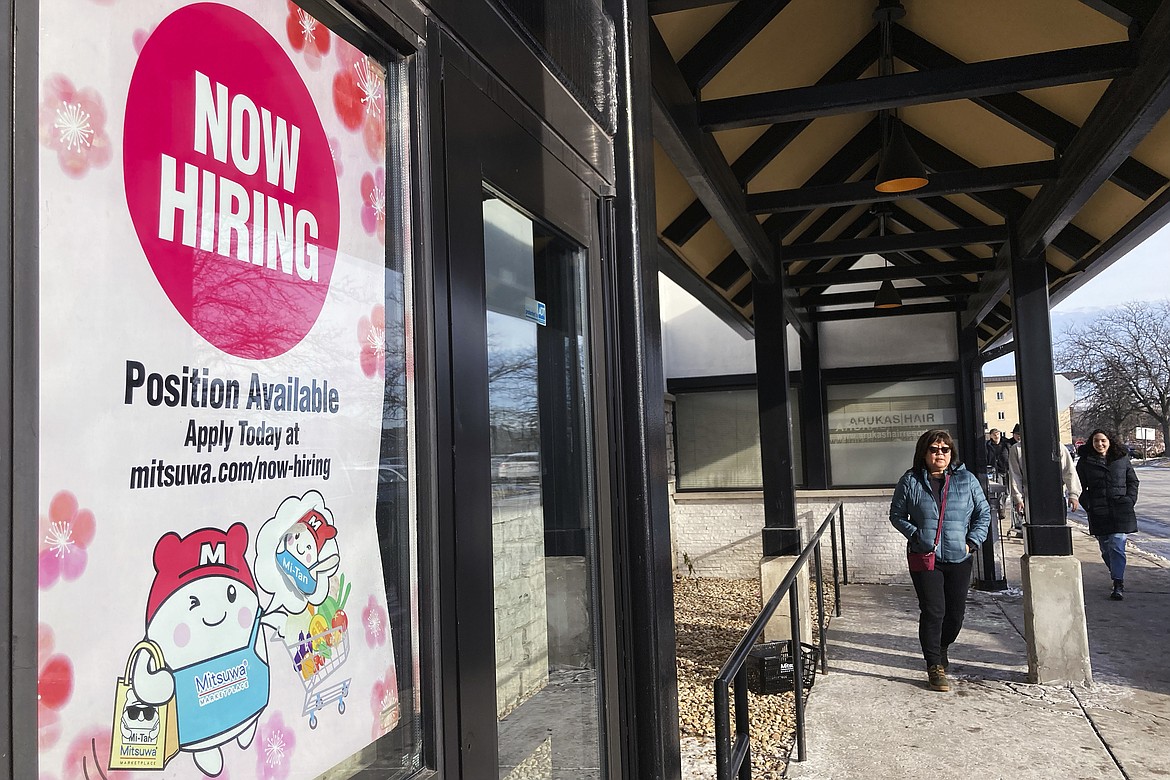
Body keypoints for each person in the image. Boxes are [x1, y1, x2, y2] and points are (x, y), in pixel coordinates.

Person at [890, 429, 991, 692]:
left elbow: (984, 513)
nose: (940, 454)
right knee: (934, 611)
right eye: (934, 449)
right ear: (924, 453)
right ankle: (934, 664)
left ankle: (942, 646)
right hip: (925, 556)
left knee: (955, 615)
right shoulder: (910, 481)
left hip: (959, 556)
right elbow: (897, 515)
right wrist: (918, 535)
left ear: (951, 453)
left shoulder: (966, 480)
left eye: (945, 449)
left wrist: (972, 542)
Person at [1076, 429, 1139, 601]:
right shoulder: (1085, 462)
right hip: (1099, 511)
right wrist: (1089, 505)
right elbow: (1079, 487)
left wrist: (1129, 500)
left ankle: (1118, 583)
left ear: (1110, 441)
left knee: (1117, 544)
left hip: (1120, 510)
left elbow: (1132, 481)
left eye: (1103, 440)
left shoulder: (1121, 459)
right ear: (1092, 443)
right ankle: (1116, 574)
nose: (1100, 444)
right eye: (1096, 441)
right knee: (1106, 549)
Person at [1005, 423, 1081, 538]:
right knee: (1037, 534)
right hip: (1031, 497)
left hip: (1055, 495)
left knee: (1058, 533)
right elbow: (1015, 475)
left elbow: (1069, 471)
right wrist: (1018, 498)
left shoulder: (1057, 447)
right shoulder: (1017, 449)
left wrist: (1073, 494)